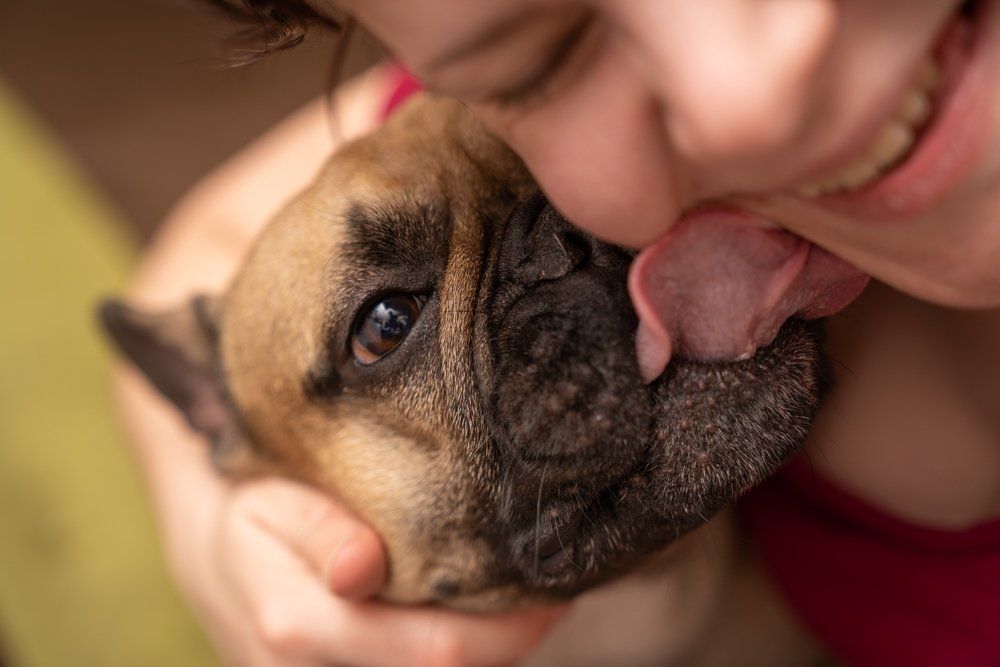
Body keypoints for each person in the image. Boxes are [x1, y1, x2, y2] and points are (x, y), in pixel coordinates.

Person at [119, 1, 1000, 665]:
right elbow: (201, 256)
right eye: (388, 326)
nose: (590, 250)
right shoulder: (512, 103)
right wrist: (217, 544)